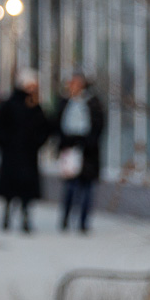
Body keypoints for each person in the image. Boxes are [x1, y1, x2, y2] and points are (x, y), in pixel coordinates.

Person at [0, 71, 53, 232]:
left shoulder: (35, 106)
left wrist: (37, 143)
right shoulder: (9, 103)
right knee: (10, 190)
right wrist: (5, 143)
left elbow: (45, 128)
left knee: (26, 190)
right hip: (12, 154)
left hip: (28, 155)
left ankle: (25, 219)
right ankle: (6, 217)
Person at [54, 71, 106, 233]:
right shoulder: (64, 102)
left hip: (89, 152)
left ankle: (83, 222)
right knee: (70, 187)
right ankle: (66, 218)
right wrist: (67, 142)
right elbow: (56, 124)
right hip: (70, 151)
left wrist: (85, 142)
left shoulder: (93, 103)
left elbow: (99, 126)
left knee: (87, 188)